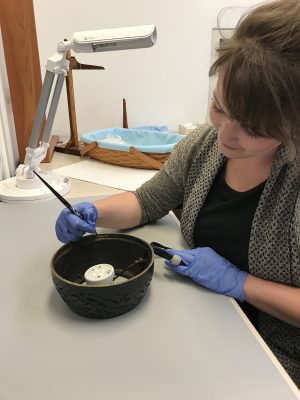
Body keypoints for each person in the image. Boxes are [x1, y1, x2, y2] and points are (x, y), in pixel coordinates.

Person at [55, 0, 300, 388]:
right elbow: (147, 201)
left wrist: (240, 283)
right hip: (202, 321)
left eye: (251, 127)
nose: (224, 135)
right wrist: (94, 213)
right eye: (220, 107)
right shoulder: (204, 145)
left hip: (274, 356)